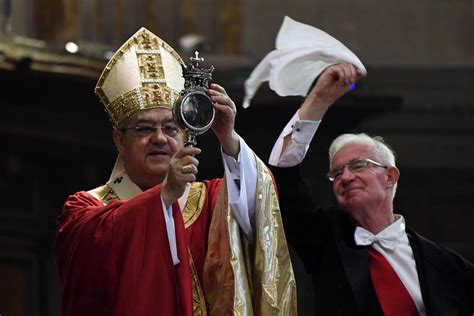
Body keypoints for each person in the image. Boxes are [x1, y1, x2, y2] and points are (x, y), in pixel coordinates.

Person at [54, 28, 296, 316]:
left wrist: (228, 138)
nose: (159, 138)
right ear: (119, 140)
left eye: (170, 128)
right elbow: (88, 271)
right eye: (144, 129)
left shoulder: (211, 199)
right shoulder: (86, 209)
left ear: (185, 136)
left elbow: (261, 212)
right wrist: (164, 196)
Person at [268, 63, 474, 315]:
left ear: (390, 176)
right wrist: (319, 98)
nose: (346, 177)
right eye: (337, 172)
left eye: (358, 165)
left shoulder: (444, 263)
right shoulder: (323, 240)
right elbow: (283, 176)